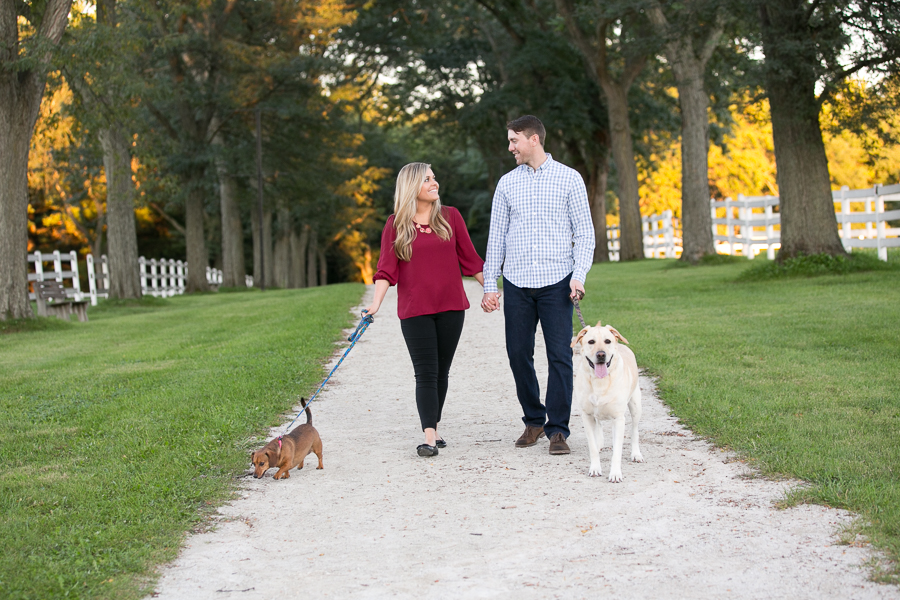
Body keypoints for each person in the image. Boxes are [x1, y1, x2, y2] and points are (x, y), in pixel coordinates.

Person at [481, 115, 595, 455]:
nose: (510, 147)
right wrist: (491, 284)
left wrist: (579, 275)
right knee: (518, 353)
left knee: (560, 354)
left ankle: (558, 430)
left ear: (534, 139)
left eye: (514, 141)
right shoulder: (506, 184)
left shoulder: (569, 179)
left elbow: (585, 234)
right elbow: (496, 237)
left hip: (558, 281)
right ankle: (534, 420)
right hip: (517, 282)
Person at [366, 162, 486, 457]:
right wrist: (374, 305)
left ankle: (434, 425)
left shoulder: (450, 217)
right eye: (428, 180)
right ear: (412, 188)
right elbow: (386, 270)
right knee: (425, 373)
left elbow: (471, 260)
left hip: (451, 307)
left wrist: (491, 290)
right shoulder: (396, 224)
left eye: (434, 178)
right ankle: (429, 438)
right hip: (415, 310)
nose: (435, 184)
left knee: (441, 372)